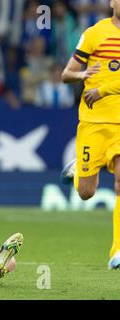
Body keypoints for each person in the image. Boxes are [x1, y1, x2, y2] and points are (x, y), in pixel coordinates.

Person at [61, 0, 120, 269]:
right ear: (111, 3)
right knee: (86, 192)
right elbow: (66, 74)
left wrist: (104, 90)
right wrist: (84, 73)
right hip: (93, 123)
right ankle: (77, 169)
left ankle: (117, 252)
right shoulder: (95, 33)